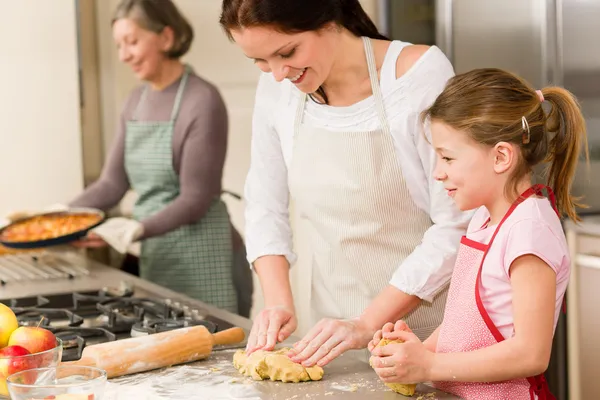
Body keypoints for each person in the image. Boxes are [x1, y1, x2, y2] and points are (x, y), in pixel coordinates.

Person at [220, 0, 472, 365]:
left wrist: (367, 323)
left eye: (287, 52)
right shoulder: (276, 88)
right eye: (260, 61)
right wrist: (278, 301)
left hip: (425, 338)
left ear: (329, 20)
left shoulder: (417, 75)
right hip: (328, 337)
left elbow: (456, 223)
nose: (277, 73)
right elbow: (264, 204)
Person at [368, 68, 587, 399]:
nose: (438, 173)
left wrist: (428, 366)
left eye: (447, 158)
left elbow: (530, 354)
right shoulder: (484, 218)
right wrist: (414, 354)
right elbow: (466, 323)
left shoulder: (529, 232)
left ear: (501, 156)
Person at [68, 0, 253, 316]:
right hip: (160, 252)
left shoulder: (202, 99)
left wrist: (135, 230)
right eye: (119, 45)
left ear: (166, 38)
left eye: (133, 41)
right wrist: (61, 218)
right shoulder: (135, 102)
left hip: (207, 254)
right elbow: (112, 183)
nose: (124, 54)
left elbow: (195, 198)